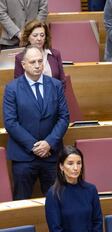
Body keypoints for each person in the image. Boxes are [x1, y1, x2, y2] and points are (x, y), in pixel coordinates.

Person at [3, 45, 69, 200]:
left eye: (40, 61)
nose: (38, 65)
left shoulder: (56, 85)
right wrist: (35, 146)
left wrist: (48, 143)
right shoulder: (12, 88)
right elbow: (10, 122)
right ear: (23, 64)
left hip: (51, 155)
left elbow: (64, 117)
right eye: (33, 62)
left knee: (57, 201)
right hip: (23, 156)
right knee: (21, 202)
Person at [45, 145, 103, 232]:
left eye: (79, 163)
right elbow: (56, 230)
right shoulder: (53, 194)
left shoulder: (91, 190)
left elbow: (98, 223)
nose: (75, 168)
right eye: (70, 163)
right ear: (61, 166)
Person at [14, 20, 66, 89]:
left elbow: (62, 82)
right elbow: (19, 85)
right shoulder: (20, 57)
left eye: (42, 35)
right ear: (28, 37)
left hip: (54, 96)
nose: (39, 39)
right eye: (35, 35)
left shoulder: (55, 54)